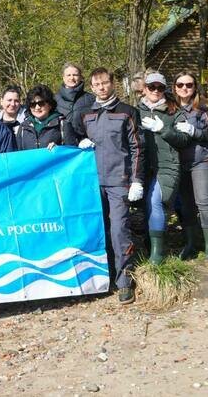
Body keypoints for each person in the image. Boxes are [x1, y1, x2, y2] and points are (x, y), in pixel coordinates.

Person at [77, 67, 144, 305]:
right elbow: (70, 136)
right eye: (97, 85)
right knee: (96, 230)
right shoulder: (85, 114)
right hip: (93, 183)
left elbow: (138, 148)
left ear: (112, 84)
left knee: (119, 231)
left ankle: (125, 280)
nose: (102, 88)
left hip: (119, 182)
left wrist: (136, 180)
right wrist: (78, 143)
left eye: (105, 83)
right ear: (92, 87)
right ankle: (100, 278)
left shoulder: (127, 112)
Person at [136, 72, 192, 264]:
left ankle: (157, 255)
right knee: (145, 205)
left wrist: (163, 129)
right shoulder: (135, 111)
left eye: (160, 88)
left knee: (155, 201)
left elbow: (184, 140)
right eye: (152, 87)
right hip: (142, 166)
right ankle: (149, 245)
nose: (156, 91)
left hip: (168, 165)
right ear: (144, 89)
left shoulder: (173, 111)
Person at [173, 71, 208, 259]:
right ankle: (191, 243)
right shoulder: (171, 108)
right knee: (186, 205)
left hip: (203, 160)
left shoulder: (206, 107)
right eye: (180, 85)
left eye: (189, 85)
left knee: (203, 201)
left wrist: (196, 132)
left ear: (195, 87)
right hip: (180, 162)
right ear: (175, 87)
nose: (184, 88)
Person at [17, 85, 74, 150]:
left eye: (41, 103)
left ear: (50, 105)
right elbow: (19, 154)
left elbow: (72, 151)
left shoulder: (63, 124)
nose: (37, 107)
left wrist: (59, 149)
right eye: (33, 104)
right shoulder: (23, 127)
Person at [55, 63, 95, 139]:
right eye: (68, 75)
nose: (72, 78)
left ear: (80, 77)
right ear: (63, 77)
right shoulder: (54, 100)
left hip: (87, 145)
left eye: (75, 75)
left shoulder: (91, 99)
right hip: (63, 146)